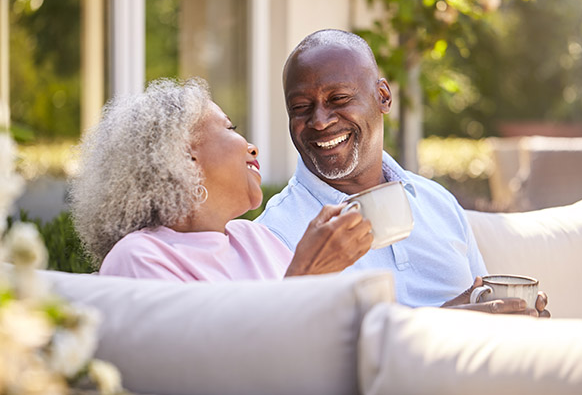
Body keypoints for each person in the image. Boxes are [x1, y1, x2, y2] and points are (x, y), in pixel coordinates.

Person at [256, 29, 549, 317]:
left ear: (383, 97)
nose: (319, 121)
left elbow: (482, 300)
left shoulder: (437, 202)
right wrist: (440, 326)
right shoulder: (276, 233)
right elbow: (292, 353)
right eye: (301, 107)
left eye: (339, 99)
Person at [70, 77, 373, 282]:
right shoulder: (140, 257)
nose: (252, 147)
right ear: (184, 158)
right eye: (229, 128)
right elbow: (202, 368)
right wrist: (306, 275)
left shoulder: (257, 239)